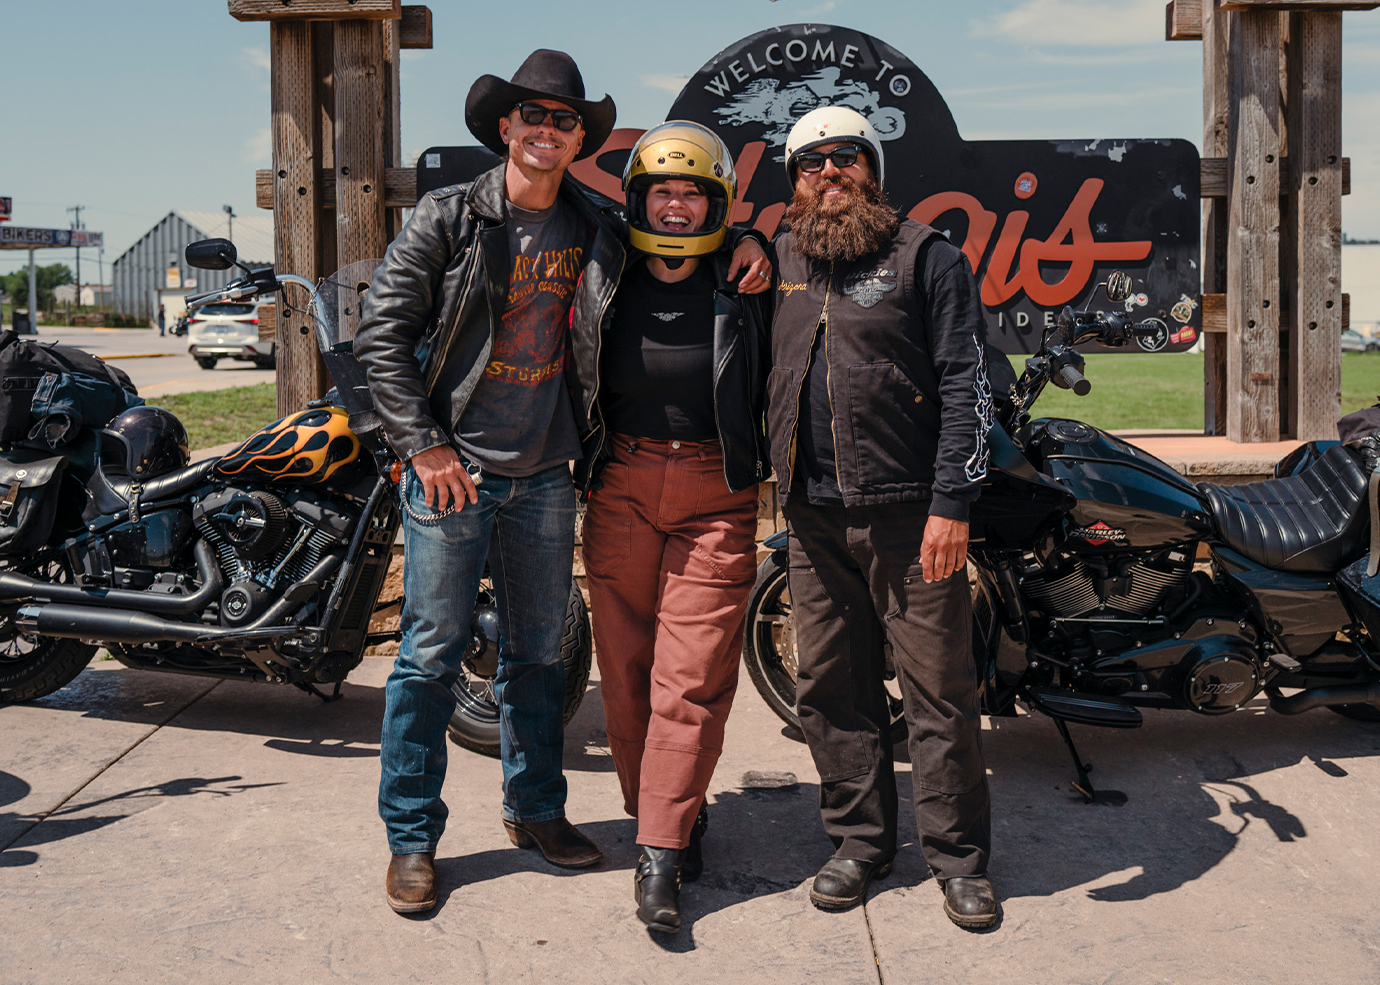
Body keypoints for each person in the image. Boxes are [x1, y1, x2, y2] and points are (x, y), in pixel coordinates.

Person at [355, 51, 770, 916]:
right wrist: (423, 445)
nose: (547, 130)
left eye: (564, 119)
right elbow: (380, 336)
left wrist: (751, 240)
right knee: (429, 657)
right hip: (453, 471)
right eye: (534, 115)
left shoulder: (595, 224)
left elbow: (684, 235)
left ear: (580, 138)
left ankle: (537, 808)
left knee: (541, 658)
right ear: (506, 126)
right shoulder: (448, 216)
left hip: (547, 472)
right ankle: (412, 836)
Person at [765, 106, 1000, 929]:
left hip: (910, 517)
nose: (829, 171)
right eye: (811, 162)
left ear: (873, 169)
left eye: (846, 157)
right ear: (794, 181)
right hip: (811, 513)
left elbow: (968, 381)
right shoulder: (781, 258)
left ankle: (959, 859)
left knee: (939, 692)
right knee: (830, 686)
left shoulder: (927, 256)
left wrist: (951, 503)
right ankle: (860, 842)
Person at [578, 122, 770, 934]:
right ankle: (666, 809)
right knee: (625, 673)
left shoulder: (747, 275)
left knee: (688, 676)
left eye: (694, 191)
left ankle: (657, 852)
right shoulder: (603, 265)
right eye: (663, 190)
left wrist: (758, 238)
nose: (678, 205)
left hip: (715, 490)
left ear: (719, 201)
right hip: (619, 482)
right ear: (638, 198)